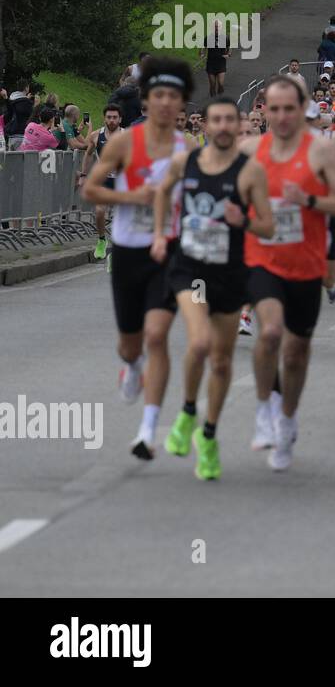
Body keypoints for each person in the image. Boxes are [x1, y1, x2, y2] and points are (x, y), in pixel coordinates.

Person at [151, 96, 275, 479]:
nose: (223, 127)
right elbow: (161, 192)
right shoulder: (184, 163)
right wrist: (159, 235)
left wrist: (244, 221)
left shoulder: (250, 172)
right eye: (216, 120)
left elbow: (267, 227)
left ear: (239, 128)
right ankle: (188, 410)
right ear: (205, 125)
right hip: (193, 271)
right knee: (200, 342)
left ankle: (207, 434)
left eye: (230, 121)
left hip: (231, 273)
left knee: (221, 359)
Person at [82, 57, 195, 458]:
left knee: (158, 336)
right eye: (158, 96)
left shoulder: (188, 146)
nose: (166, 103)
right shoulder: (125, 142)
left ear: (182, 104)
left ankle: (147, 431)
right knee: (132, 344)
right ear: (146, 101)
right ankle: (130, 365)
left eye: (174, 97)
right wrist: (131, 197)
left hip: (169, 250)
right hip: (129, 249)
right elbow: (90, 190)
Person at [242, 76, 335, 470]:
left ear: (303, 108)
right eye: (273, 109)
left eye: (289, 108)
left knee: (294, 353)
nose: (281, 116)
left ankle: (287, 418)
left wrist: (307, 199)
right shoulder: (249, 151)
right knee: (270, 333)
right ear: (263, 110)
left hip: (305, 263)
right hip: (262, 258)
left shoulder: (323, 151)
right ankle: (264, 412)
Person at [79, 104, 125, 260]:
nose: (112, 120)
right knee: (99, 212)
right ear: (104, 119)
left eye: (115, 117)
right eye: (109, 117)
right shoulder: (95, 136)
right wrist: (84, 175)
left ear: (120, 119)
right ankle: (101, 240)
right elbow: (88, 154)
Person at [203, 22, 231, 97]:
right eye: (215, 26)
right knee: (212, 85)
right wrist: (202, 53)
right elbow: (203, 48)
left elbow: (229, 48)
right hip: (211, 64)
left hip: (221, 63)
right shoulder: (208, 38)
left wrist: (228, 54)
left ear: (221, 27)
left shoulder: (225, 37)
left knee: (221, 84)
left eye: (218, 26)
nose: (217, 28)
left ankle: (219, 98)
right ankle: (213, 101)